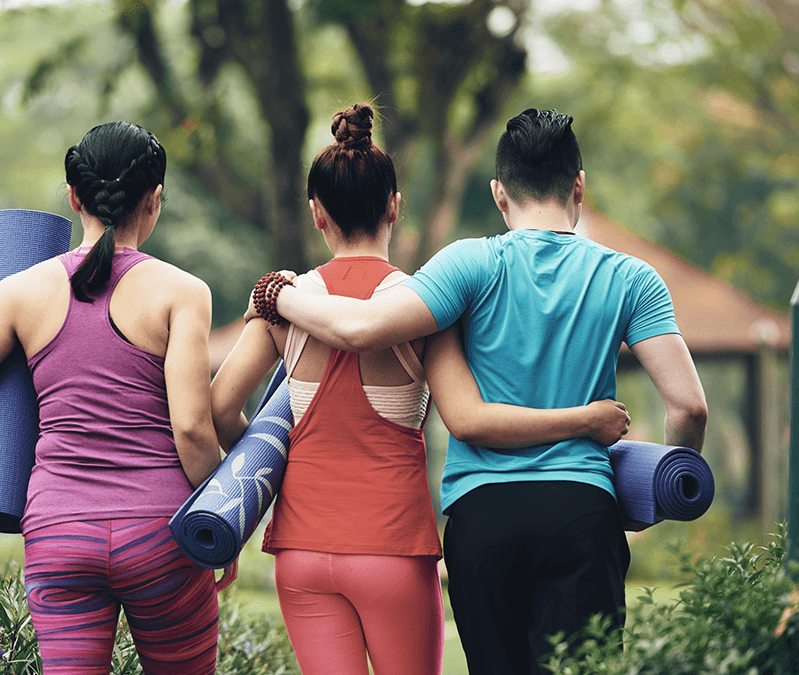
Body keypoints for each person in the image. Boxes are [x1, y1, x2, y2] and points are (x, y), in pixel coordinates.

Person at [252, 108, 709, 675]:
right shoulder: (633, 278)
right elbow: (689, 406)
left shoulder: (468, 263)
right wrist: (659, 491)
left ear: (498, 193)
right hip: (583, 509)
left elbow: (362, 327)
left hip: (482, 516)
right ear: (579, 185)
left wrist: (280, 294)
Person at [0, 121, 232, 675]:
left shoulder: (20, 291)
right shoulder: (182, 292)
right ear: (154, 199)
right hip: (160, 533)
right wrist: (219, 521)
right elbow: (190, 427)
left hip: (59, 534)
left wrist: (36, 405)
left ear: (74, 197)